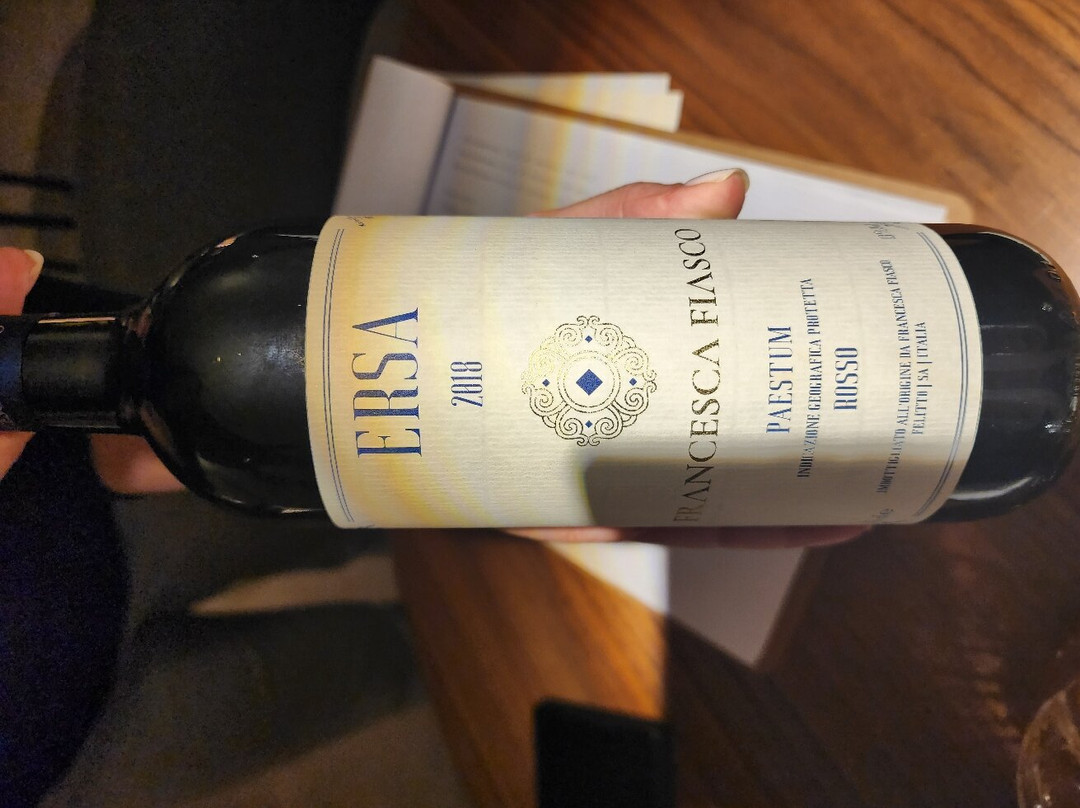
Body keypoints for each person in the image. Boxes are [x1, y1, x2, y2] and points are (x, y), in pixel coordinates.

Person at [0, 175, 863, 806]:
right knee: (384, 665)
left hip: (96, 471)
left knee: (365, 576)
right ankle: (413, 643)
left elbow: (169, 385)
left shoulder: (174, 328)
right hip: (48, 717)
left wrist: (474, 295)